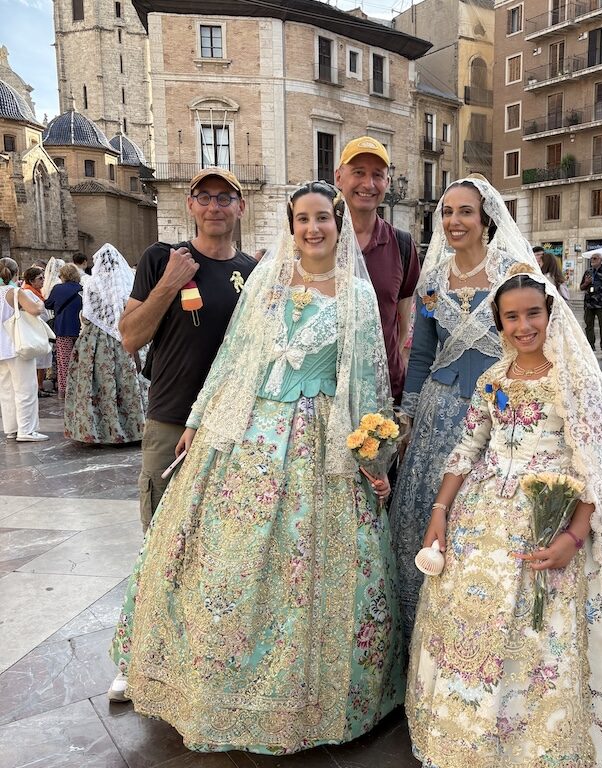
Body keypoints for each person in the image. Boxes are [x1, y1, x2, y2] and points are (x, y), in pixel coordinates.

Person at [110, 181, 403, 752]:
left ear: (338, 226)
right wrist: (197, 421)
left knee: (309, 562)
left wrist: (373, 455)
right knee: (225, 555)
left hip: (320, 435)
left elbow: (366, 378)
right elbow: (234, 357)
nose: (313, 229)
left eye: (323, 218)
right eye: (302, 220)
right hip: (251, 431)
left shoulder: (356, 295)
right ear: (290, 226)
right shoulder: (266, 283)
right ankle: (206, 678)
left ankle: (311, 692)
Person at [406, 264, 602, 767]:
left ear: (550, 313)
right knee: (481, 622)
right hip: (484, 515)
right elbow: (469, 445)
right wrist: (440, 509)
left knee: (547, 633)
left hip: (555, 510)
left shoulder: (572, 380)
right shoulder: (494, 378)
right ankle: (476, 735)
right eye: (511, 318)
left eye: (532, 313)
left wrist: (575, 535)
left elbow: (597, 463)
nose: (523, 326)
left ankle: (547, 739)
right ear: (499, 323)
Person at [389, 175, 530, 641]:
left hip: (498, 415)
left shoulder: (513, 273)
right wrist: (407, 415)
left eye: (465, 211)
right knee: (425, 521)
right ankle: (423, 639)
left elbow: (531, 344)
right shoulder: (432, 282)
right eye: (447, 212)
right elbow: (423, 355)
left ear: (486, 218)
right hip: (438, 416)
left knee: (484, 524)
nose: (454, 221)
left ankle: (479, 635)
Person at [119, 167, 257, 532]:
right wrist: (169, 283)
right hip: (171, 416)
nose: (215, 207)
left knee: (219, 535)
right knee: (162, 534)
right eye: (205, 197)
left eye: (225, 198)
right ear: (190, 205)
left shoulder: (253, 272)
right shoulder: (161, 258)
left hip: (229, 424)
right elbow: (131, 337)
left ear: (240, 207)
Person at [335, 136, 419, 404]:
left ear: (387, 183)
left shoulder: (402, 245)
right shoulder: (316, 241)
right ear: (339, 177)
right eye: (358, 173)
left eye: (377, 175)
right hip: (327, 391)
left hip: (384, 390)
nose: (368, 184)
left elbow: (403, 326)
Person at [64, 244, 146, 443]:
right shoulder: (129, 281)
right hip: (128, 336)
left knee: (99, 382)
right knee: (129, 381)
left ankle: (101, 430)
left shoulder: (91, 283)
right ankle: (135, 428)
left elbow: (86, 315)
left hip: (96, 340)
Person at [0, 258, 48, 442]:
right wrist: (40, 303)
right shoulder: (14, 292)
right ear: (16, 273)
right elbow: (35, 309)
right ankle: (27, 430)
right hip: (17, 345)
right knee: (26, 388)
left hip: (1, 348)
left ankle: (11, 428)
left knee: (6, 389)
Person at [44, 263, 83, 396]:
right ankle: (80, 390)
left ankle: (64, 391)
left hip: (63, 330)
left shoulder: (58, 288)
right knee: (80, 361)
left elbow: (48, 304)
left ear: (63, 276)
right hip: (80, 330)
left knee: (64, 361)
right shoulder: (82, 289)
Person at [21, 267, 53, 398]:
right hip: (34, 329)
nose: (43, 281)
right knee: (38, 360)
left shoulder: (37, 292)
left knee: (43, 358)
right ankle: (37, 387)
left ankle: (40, 385)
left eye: (43, 278)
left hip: (41, 329)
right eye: (40, 278)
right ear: (31, 281)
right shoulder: (28, 293)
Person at [579, 252, 602, 353]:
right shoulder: (588, 272)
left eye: (595, 258)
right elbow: (581, 287)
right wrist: (586, 283)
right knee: (589, 325)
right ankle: (591, 346)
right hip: (589, 304)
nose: (592, 260)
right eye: (591, 259)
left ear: (600, 260)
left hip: (601, 304)